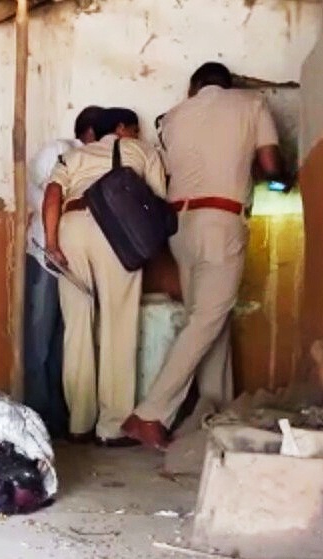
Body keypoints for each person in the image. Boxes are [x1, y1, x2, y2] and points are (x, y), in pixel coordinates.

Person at [122, 62, 286, 449]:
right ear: (226, 85)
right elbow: (270, 166)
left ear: (194, 88)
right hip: (220, 222)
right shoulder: (252, 104)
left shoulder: (172, 117)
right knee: (208, 318)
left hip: (180, 227)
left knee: (212, 321)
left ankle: (214, 411)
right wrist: (279, 179)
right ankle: (149, 414)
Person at [43, 108, 166, 446]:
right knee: (118, 325)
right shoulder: (143, 151)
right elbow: (158, 201)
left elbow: (52, 194)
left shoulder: (74, 156)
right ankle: (111, 428)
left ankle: (79, 423)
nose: (138, 136)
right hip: (117, 232)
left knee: (77, 326)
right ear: (121, 128)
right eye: (135, 130)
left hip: (70, 227)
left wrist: (52, 243)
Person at [24, 106, 104, 438]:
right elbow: (44, 194)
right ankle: (36, 415)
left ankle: (57, 416)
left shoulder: (93, 160)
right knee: (39, 339)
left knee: (63, 341)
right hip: (46, 254)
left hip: (73, 261)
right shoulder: (59, 150)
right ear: (92, 132)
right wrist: (55, 239)